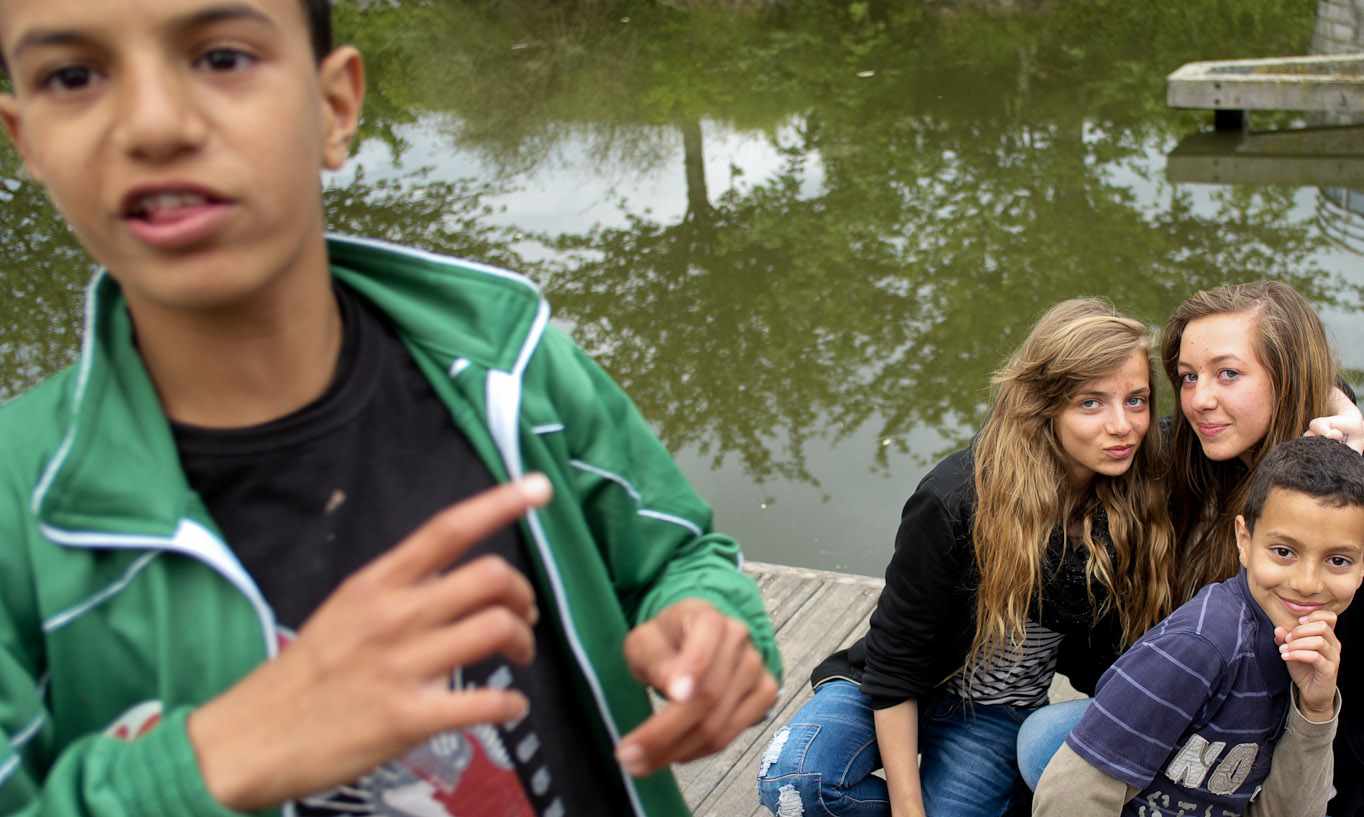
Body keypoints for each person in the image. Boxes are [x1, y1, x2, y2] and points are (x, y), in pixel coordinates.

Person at [0, 2, 779, 816]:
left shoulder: (508, 365)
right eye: (73, 76)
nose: (153, 125)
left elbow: (677, 558)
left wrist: (709, 624)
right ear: (28, 144)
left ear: (334, 107)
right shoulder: (15, 518)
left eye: (222, 57)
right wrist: (202, 764)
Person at [755, 299, 1179, 817]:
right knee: (795, 781)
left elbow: (1236, 432)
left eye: (1137, 400)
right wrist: (909, 811)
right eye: (1091, 403)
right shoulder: (958, 496)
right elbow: (896, 664)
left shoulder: (1144, 480)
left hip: (994, 714)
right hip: (890, 688)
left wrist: (1310, 436)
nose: (1123, 426)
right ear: (1045, 405)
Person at [1164, 281, 1364, 817]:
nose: (1199, 399)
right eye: (1188, 377)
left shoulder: (1355, 556)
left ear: (1287, 380)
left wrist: (1240, 740)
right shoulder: (1223, 469)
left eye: (1228, 373)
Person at [1033, 435, 1364, 817]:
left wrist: (1314, 710)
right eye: (1283, 552)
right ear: (1244, 541)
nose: (1307, 583)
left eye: (1337, 561)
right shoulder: (1199, 646)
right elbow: (1070, 795)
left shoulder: (1309, 644)